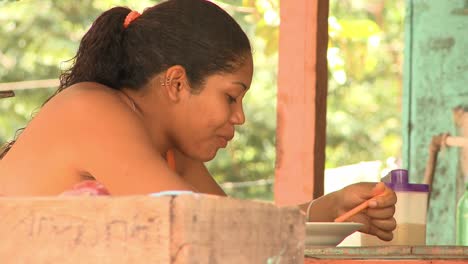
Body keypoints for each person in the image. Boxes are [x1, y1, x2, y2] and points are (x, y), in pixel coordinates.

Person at [0, 0, 396, 241]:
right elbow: (201, 223)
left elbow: (243, 229)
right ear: (175, 82)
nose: (239, 117)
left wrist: (335, 209)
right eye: (230, 96)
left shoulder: (170, 154)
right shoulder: (92, 109)